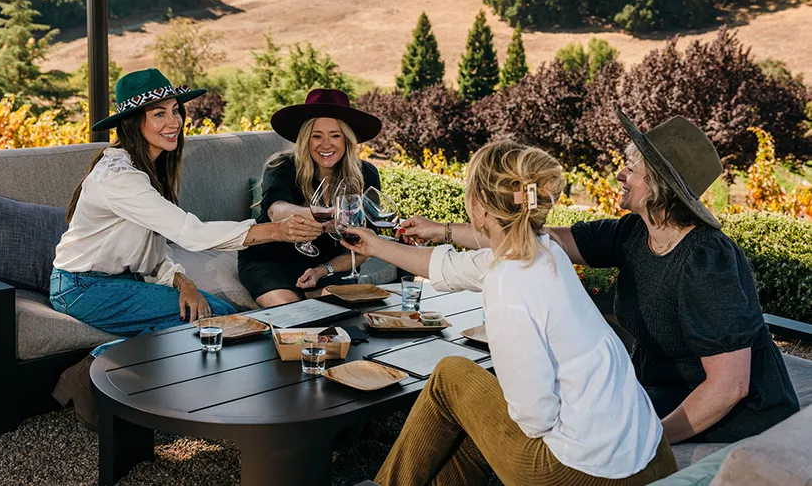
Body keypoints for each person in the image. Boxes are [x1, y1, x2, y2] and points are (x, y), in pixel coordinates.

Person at [400, 111, 800, 445]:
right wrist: (443, 230)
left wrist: (652, 442)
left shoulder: (707, 261)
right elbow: (531, 236)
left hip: (730, 418)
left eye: (631, 168)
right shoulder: (633, 233)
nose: (620, 174)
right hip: (653, 394)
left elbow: (729, 387)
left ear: (659, 185)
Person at [342, 142, 677, 486]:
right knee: (468, 408)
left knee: (451, 375)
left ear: (480, 207)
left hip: (584, 472)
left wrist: (499, 404)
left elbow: (535, 418)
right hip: (648, 453)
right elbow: (451, 266)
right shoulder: (545, 250)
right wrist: (374, 245)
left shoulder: (509, 285)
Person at [50, 68, 322, 429]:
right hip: (80, 287)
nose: (173, 121)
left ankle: (148, 386)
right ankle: (92, 376)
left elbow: (153, 249)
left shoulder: (147, 167)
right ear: (133, 122)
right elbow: (190, 233)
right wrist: (276, 231)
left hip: (119, 282)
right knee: (216, 321)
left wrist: (183, 282)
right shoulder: (119, 176)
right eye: (159, 113)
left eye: (176, 110)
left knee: (214, 316)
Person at [238, 88, 383, 307]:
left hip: (327, 264)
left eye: (335, 135)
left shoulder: (366, 174)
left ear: (347, 139)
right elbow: (276, 210)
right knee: (293, 317)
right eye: (317, 136)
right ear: (306, 138)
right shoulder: (281, 166)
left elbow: (367, 243)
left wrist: (322, 270)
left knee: (338, 315)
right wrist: (325, 215)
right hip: (271, 260)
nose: (326, 144)